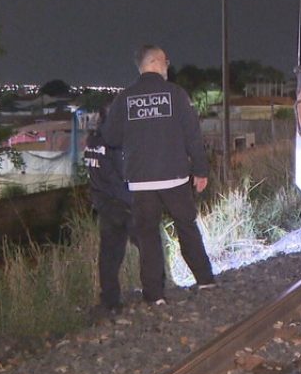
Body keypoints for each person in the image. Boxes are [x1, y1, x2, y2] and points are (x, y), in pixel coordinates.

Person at [102, 45, 216, 305]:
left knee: (148, 235)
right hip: (175, 177)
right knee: (186, 227)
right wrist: (200, 170)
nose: (168, 66)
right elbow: (193, 136)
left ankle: (155, 295)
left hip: (141, 181)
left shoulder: (124, 98)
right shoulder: (176, 94)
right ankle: (205, 279)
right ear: (156, 62)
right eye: (166, 61)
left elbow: (110, 137)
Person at [83, 103, 134, 316]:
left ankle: (109, 300)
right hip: (124, 204)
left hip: (104, 206)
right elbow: (122, 175)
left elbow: (95, 174)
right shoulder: (115, 143)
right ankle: (155, 291)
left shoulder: (92, 141)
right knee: (149, 244)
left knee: (109, 255)